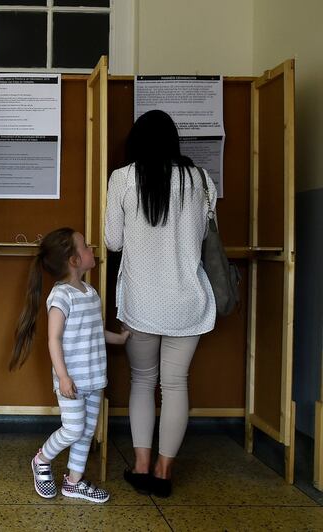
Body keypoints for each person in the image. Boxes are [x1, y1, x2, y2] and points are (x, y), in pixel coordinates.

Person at [105, 109, 218, 498]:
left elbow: (113, 242)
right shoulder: (201, 180)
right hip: (188, 301)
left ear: (136, 141)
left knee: (142, 381)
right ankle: (164, 472)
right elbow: (204, 235)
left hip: (142, 302)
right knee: (175, 384)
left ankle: (139, 465)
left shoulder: (123, 178)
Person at [11, 228, 130, 503]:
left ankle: (74, 482)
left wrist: (120, 338)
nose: (92, 249)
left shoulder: (89, 292)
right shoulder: (61, 296)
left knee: (87, 431)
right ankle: (41, 460)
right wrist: (63, 377)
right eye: (86, 246)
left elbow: (95, 331)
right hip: (72, 382)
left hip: (94, 378)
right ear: (74, 261)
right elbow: (53, 339)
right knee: (73, 429)